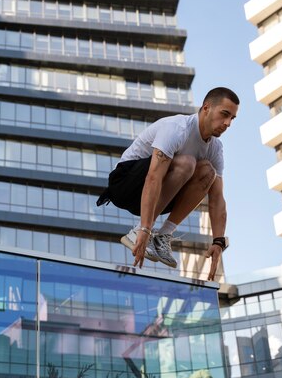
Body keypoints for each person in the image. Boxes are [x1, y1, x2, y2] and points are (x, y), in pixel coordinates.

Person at [96, 87, 239, 280]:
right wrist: (145, 229)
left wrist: (218, 241)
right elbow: (153, 177)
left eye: (232, 118)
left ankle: (163, 235)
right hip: (125, 185)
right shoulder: (177, 128)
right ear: (206, 108)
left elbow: (217, 198)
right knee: (188, 162)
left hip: (159, 195)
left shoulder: (215, 148)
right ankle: (137, 231)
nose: (228, 123)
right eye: (224, 115)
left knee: (207, 172)